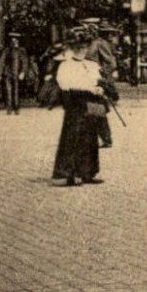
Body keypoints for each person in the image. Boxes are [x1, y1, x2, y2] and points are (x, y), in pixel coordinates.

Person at [50, 28, 118, 186]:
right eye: (79, 48)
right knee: (73, 137)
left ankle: (88, 172)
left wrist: (100, 88)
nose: (82, 50)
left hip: (92, 102)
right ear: (73, 48)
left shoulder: (91, 65)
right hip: (76, 102)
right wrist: (88, 88)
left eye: (85, 47)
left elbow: (98, 80)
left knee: (90, 137)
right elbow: (65, 84)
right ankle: (68, 174)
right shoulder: (66, 66)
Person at [0, 33, 34, 114]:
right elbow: (1, 62)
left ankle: (16, 108)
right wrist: (0, 73)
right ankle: (9, 108)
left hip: (17, 74)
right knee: (8, 91)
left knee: (16, 91)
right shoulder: (6, 51)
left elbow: (25, 62)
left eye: (16, 41)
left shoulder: (21, 51)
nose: (15, 42)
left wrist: (23, 72)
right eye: (13, 41)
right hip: (8, 74)